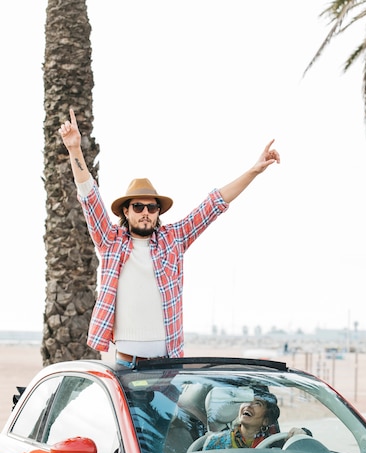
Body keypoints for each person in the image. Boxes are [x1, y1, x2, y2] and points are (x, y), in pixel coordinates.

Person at [58, 109, 280, 365]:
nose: (145, 213)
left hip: (167, 364)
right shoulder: (111, 242)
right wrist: (75, 149)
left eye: (152, 208)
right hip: (126, 364)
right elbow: (89, 198)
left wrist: (253, 170)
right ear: (126, 212)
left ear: (158, 213)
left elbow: (213, 205)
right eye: (138, 207)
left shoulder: (173, 240)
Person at [204, 394, 281, 449]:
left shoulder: (274, 445)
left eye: (257, 403)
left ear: (266, 420)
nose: (248, 405)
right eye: (246, 401)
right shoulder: (215, 441)